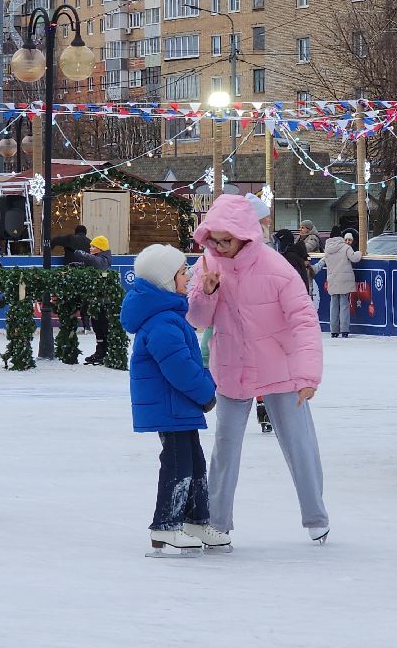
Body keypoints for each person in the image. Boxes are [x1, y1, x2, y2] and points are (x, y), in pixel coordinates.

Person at [188, 194, 327, 547]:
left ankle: (316, 516)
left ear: (245, 235)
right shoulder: (207, 265)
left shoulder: (276, 268)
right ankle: (217, 522)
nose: (220, 247)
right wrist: (205, 293)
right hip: (232, 367)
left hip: (279, 366)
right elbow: (197, 320)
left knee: (298, 442)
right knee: (225, 447)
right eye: (215, 240)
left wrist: (307, 375)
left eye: (226, 240)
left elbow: (304, 322)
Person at [120, 244, 219, 556]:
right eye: (182, 272)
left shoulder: (170, 314)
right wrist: (206, 391)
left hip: (179, 406)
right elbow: (179, 366)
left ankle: (196, 521)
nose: (188, 276)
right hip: (170, 405)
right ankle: (165, 524)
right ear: (166, 280)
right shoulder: (163, 321)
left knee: (195, 463)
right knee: (178, 466)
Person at [71, 235, 114, 365]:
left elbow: (95, 262)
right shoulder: (97, 259)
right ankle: (100, 352)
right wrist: (78, 265)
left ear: (100, 248)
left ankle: (106, 353)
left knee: (103, 327)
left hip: (104, 302)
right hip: (96, 301)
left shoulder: (103, 260)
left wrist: (80, 253)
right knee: (97, 327)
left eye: (93, 246)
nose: (90, 248)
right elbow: (90, 264)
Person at [323, 230, 362, 339]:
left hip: (332, 279)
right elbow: (354, 258)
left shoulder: (327, 249)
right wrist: (360, 252)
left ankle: (334, 331)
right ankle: (344, 330)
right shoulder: (346, 247)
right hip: (344, 279)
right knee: (344, 305)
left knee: (333, 305)